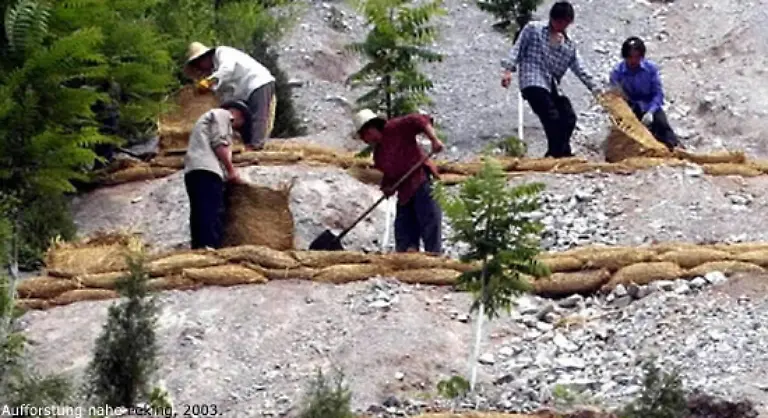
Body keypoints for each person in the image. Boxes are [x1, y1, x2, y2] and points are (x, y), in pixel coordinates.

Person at [500, 0, 603, 158]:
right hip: (532, 79)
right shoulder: (533, 30)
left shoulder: (569, 46)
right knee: (550, 114)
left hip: (552, 85)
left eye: (565, 22)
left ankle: (559, 151)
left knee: (568, 116)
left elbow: (580, 69)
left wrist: (596, 89)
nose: (561, 25)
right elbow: (517, 49)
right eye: (558, 21)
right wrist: (508, 70)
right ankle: (557, 153)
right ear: (552, 18)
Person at [353, 109, 445, 254]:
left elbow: (420, 120)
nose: (365, 141)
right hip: (404, 192)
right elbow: (390, 176)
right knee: (404, 232)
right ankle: (409, 261)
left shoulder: (395, 127)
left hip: (421, 181)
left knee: (429, 224)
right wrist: (387, 188)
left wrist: (434, 139)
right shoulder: (379, 155)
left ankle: (434, 260)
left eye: (364, 136)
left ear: (370, 128)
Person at [184, 42, 276, 151]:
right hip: (245, 90)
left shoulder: (222, 53)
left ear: (204, 58)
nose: (200, 68)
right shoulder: (216, 70)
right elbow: (225, 92)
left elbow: (227, 69)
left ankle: (256, 146)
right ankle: (248, 143)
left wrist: (209, 82)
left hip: (258, 81)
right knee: (245, 119)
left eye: (199, 64)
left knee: (259, 114)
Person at [184, 100, 251, 250]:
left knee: (200, 211)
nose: (236, 128)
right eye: (240, 124)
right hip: (207, 170)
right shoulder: (222, 115)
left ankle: (200, 248)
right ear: (237, 114)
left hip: (194, 170)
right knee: (211, 210)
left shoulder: (206, 119)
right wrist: (231, 171)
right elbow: (219, 144)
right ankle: (209, 247)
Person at [609, 36, 681, 150]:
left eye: (637, 57)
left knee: (662, 125)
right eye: (630, 57)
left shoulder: (651, 69)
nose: (633, 60)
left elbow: (658, 93)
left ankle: (674, 148)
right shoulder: (617, 73)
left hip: (649, 105)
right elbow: (616, 96)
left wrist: (650, 111)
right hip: (630, 108)